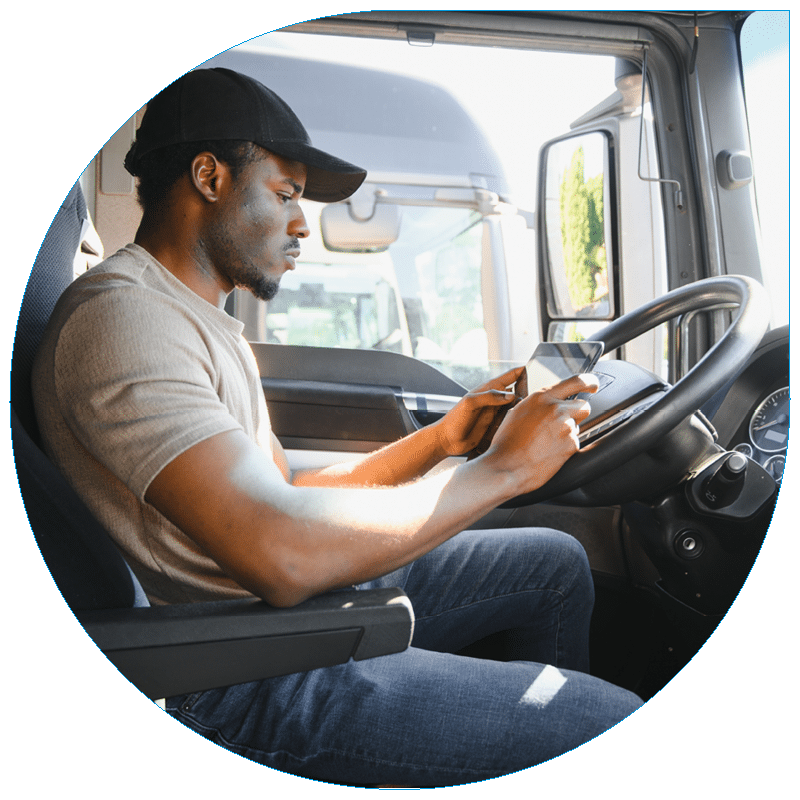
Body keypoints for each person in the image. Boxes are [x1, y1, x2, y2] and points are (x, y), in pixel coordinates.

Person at [32, 67, 642, 786]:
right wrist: (502, 471)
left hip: (259, 610)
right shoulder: (124, 320)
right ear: (208, 177)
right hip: (229, 670)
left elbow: (286, 492)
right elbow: (283, 553)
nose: (302, 223)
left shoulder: (198, 316)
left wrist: (446, 439)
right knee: (614, 720)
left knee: (555, 566)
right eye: (286, 195)